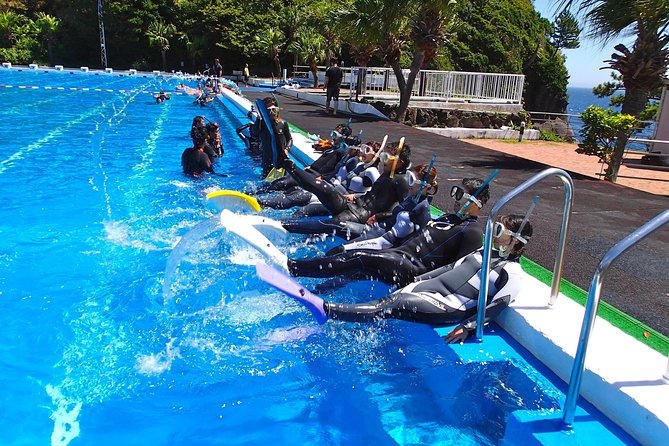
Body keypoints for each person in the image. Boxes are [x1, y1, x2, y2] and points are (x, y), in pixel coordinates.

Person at [260, 214, 533, 343]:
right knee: (391, 299)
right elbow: (446, 271)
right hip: (428, 291)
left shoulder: (513, 274)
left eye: (500, 229)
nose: (494, 233)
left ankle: (327, 310)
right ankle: (326, 321)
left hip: (449, 307)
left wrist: (470, 327)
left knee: (393, 305)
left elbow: (496, 308)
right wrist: (419, 281)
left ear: (517, 241)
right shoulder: (484, 251)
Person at [286, 176, 489, 287]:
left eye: (461, 194)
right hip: (398, 256)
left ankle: (295, 268)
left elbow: (459, 269)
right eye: (456, 191)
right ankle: (317, 290)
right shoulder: (448, 218)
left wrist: (421, 285)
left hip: (412, 269)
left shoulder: (472, 232)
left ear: (476, 202)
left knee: (358, 258)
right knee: (356, 271)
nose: (455, 197)